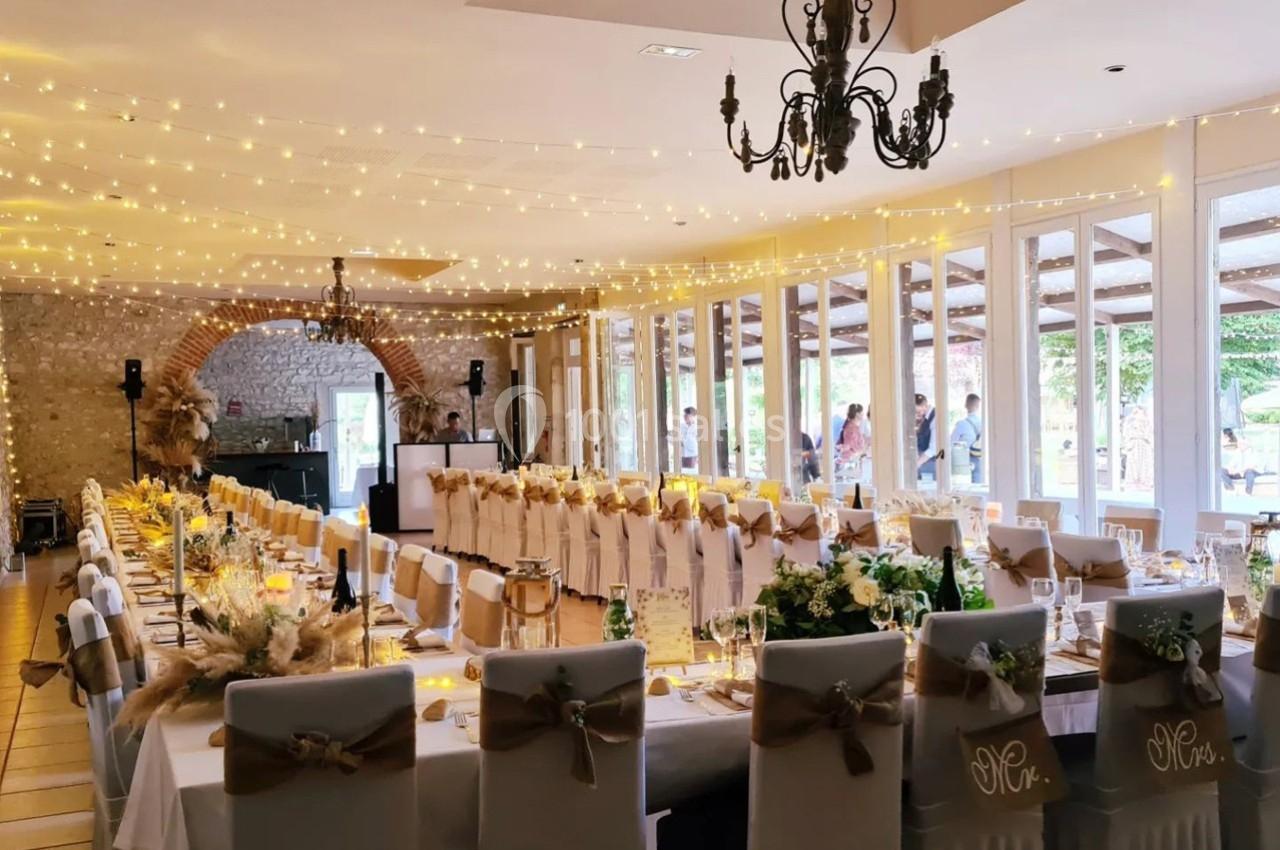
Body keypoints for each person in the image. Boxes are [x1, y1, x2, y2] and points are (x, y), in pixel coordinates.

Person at [949, 393, 983, 484]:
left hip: (962, 461)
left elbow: (951, 443)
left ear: (966, 405)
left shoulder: (961, 424)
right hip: (979, 458)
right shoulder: (983, 423)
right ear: (978, 406)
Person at [835, 403, 870, 471]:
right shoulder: (851, 429)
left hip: (852, 459)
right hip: (850, 462)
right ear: (857, 414)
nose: (863, 414)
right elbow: (849, 445)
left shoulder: (854, 427)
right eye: (862, 412)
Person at [915, 394, 937, 480]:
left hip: (932, 463)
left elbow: (933, 449)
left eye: (918, 411)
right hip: (924, 461)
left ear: (924, 406)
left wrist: (917, 464)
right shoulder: (924, 418)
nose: (918, 414)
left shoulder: (935, 417)